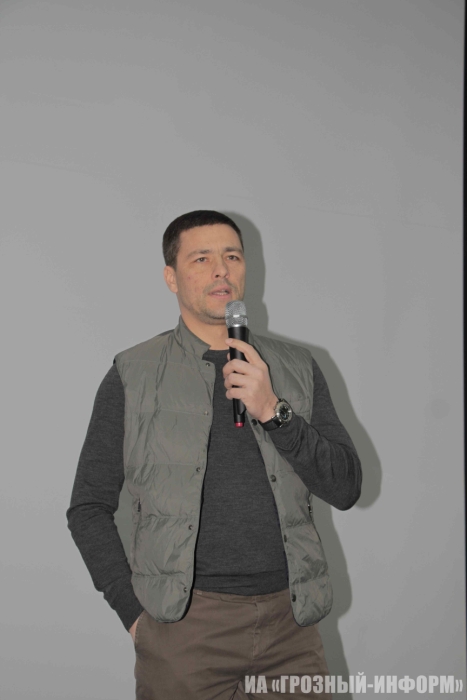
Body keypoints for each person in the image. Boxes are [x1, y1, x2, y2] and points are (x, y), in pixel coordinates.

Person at [66, 210, 362, 699]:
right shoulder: (133, 374)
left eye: (232, 257)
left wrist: (273, 411)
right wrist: (135, 616)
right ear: (171, 277)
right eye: (201, 258)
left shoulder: (296, 368)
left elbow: (346, 486)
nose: (221, 269)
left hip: (292, 627)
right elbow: (88, 507)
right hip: (185, 630)